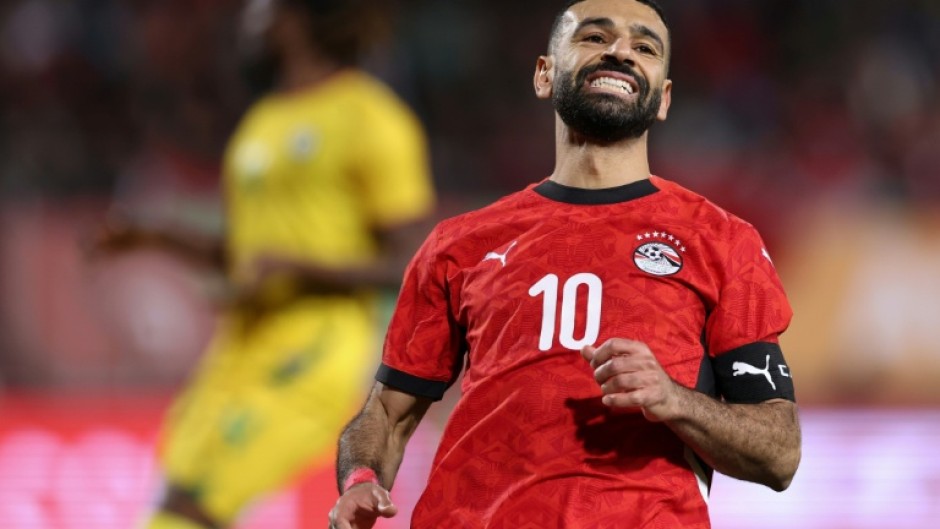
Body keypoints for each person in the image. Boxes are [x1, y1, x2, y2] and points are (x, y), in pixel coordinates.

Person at [329, 0, 801, 527]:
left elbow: (778, 454)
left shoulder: (720, 241)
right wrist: (361, 481)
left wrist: (675, 399)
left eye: (644, 48)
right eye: (595, 38)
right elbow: (386, 415)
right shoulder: (457, 244)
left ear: (663, 98)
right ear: (544, 75)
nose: (620, 52)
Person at [94, 0, 436, 528]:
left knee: (196, 507)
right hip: (239, 347)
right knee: (173, 499)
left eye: (260, 7)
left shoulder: (370, 117)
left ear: (294, 17)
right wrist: (154, 236)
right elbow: (246, 254)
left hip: (314, 346)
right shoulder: (262, 121)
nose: (247, 19)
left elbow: (412, 262)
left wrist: (297, 269)